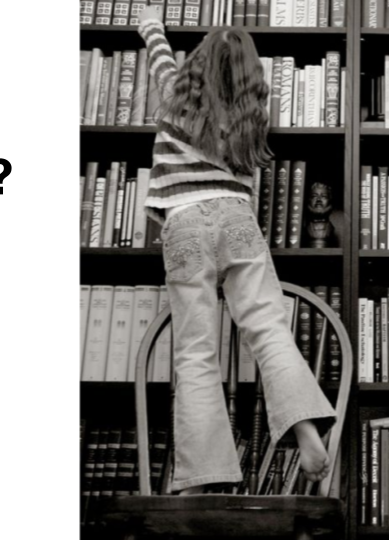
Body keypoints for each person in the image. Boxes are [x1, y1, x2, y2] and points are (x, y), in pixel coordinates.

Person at [137, 7, 337, 495]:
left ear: (199, 65)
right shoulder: (250, 123)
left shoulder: (173, 93)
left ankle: (204, 477)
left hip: (185, 224)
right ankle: (305, 429)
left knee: (196, 354)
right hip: (236, 219)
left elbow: (161, 58)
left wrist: (151, 26)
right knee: (269, 332)